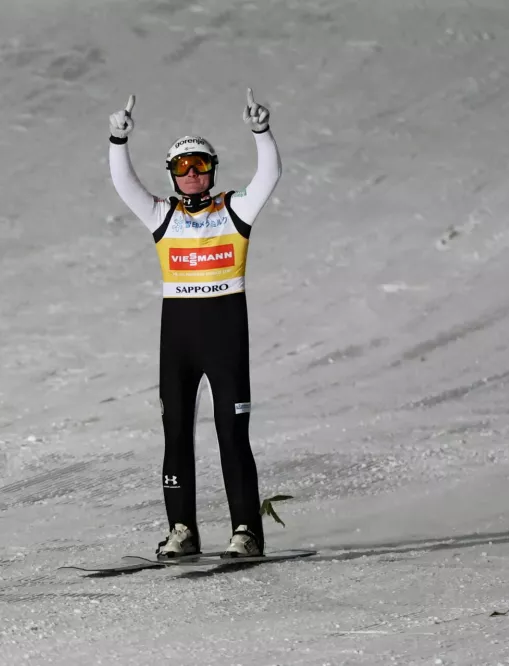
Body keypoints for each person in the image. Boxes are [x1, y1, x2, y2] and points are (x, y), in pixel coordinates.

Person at [107, 89, 282, 559]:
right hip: (178, 341)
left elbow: (269, 177)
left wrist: (261, 133)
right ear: (171, 173)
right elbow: (125, 187)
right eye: (182, 167)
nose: (191, 175)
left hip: (224, 338)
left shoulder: (234, 210)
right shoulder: (161, 215)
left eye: (199, 166)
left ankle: (246, 530)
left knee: (232, 435)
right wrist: (118, 140)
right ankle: (181, 529)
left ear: (212, 170)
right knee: (176, 433)